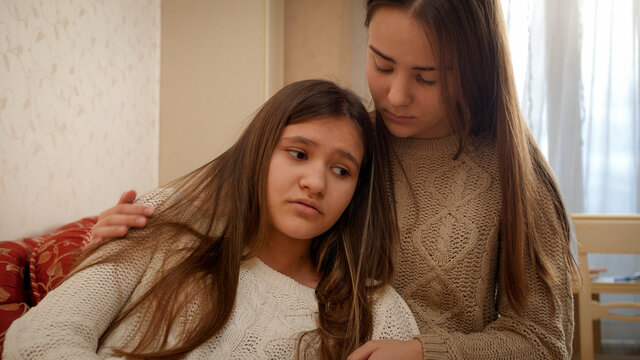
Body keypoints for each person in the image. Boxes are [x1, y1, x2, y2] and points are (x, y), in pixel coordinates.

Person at [87, 0, 579, 358]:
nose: (396, 95)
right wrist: (123, 229)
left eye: (427, 77)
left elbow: (543, 341)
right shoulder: (343, 141)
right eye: (381, 64)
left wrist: (424, 353)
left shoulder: (518, 176)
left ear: (475, 67)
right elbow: (202, 201)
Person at [3, 80, 420, 360]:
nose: (315, 182)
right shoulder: (162, 222)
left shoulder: (373, 309)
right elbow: (41, 338)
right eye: (298, 153)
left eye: (341, 170)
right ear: (259, 152)